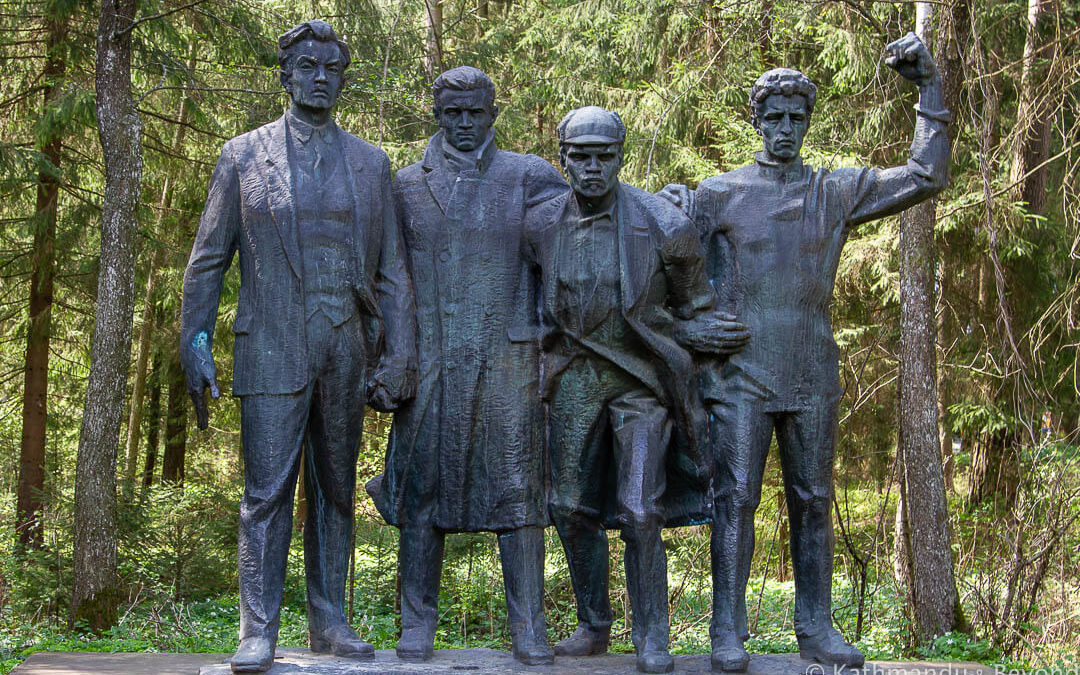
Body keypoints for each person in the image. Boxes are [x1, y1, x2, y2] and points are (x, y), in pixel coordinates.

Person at [659, 33, 950, 671]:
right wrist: (690, 335)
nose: (785, 127)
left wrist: (929, 88)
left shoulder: (834, 192)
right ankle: (725, 630)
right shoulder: (718, 195)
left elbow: (927, 175)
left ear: (807, 123)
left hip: (813, 368)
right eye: (774, 117)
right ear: (756, 121)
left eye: (796, 118)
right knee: (734, 498)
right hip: (740, 374)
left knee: (813, 499)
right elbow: (674, 286)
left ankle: (815, 628)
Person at [180, 21, 416, 673]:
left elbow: (393, 269)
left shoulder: (370, 163)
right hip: (270, 345)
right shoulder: (241, 156)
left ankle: (330, 621)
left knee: (336, 489)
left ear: (342, 78)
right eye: (307, 66)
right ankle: (257, 628)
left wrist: (400, 353)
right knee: (267, 492)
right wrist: (194, 337)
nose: (319, 77)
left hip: (346, 347)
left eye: (331, 68)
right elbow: (207, 260)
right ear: (285, 76)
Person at [524, 106, 749, 674]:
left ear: (621, 157)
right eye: (582, 156)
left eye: (605, 156)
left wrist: (696, 334)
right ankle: (594, 624)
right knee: (567, 506)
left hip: (642, 379)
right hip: (573, 374)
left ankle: (653, 636)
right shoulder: (539, 223)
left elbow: (697, 307)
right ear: (564, 158)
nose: (593, 167)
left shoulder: (662, 223)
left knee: (638, 506)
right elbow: (526, 298)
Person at [366, 66, 567, 666]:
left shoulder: (529, 176)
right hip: (429, 359)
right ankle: (415, 623)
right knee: (422, 487)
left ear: (491, 113)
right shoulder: (403, 185)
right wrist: (390, 356)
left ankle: (529, 625)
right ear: (437, 113)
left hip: (511, 359)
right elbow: (386, 277)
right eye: (451, 112)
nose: (462, 123)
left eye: (473, 112)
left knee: (518, 491)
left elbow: (578, 235)